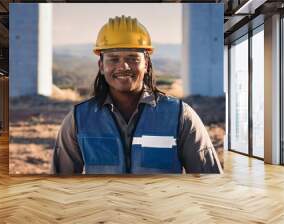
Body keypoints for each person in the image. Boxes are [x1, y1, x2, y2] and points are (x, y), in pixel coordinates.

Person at [51, 15, 222, 174]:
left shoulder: (180, 116)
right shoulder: (79, 119)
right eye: (113, 59)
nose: (124, 66)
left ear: (146, 64)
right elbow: (59, 187)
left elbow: (209, 182)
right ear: (101, 66)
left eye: (133, 58)